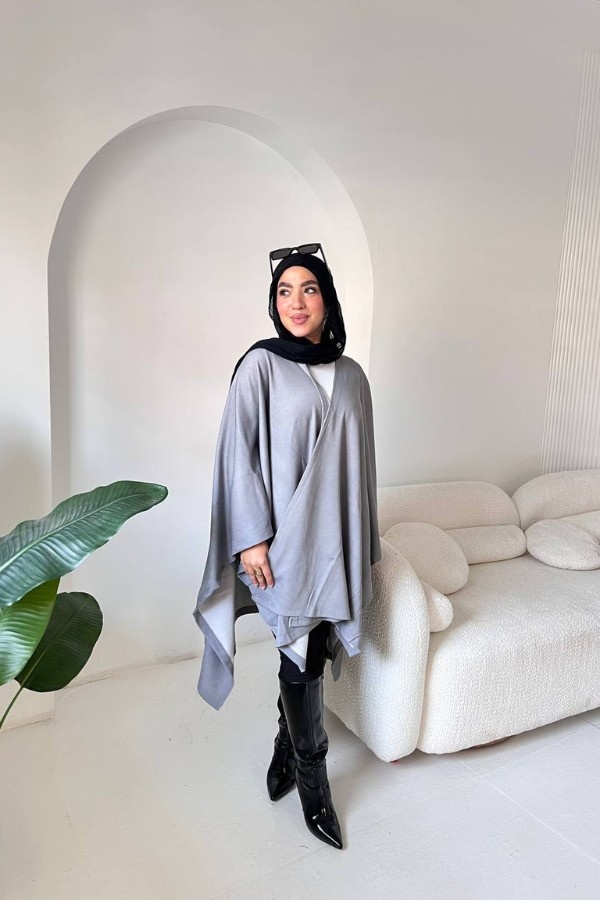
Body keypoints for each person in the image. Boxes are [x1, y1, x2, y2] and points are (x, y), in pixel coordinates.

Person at [193, 242, 381, 851]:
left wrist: (360, 540)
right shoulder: (261, 366)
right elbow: (238, 452)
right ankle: (313, 779)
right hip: (283, 540)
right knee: (298, 650)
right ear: (274, 303)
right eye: (284, 291)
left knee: (315, 645)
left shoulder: (352, 375)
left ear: (328, 300)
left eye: (309, 289)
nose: (296, 302)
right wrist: (251, 538)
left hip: (335, 539)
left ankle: (283, 745)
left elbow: (360, 466)